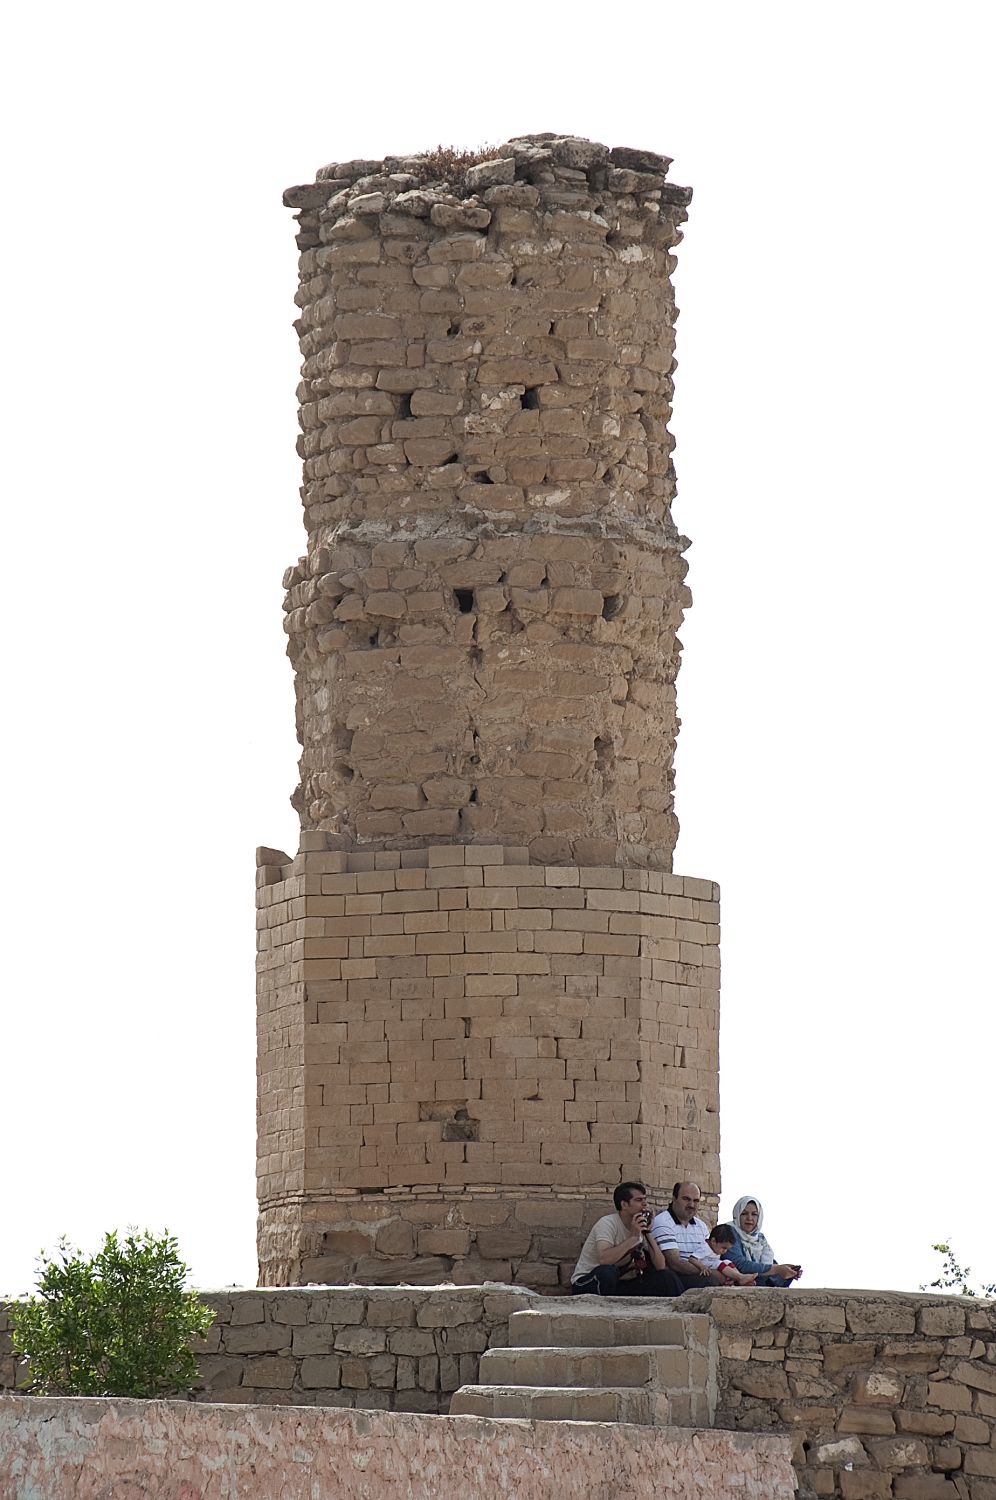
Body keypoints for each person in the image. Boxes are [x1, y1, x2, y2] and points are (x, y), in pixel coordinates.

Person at [571, 1181, 684, 1296]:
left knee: (667, 1277)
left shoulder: (640, 1225)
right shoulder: (607, 1223)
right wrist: (633, 1238)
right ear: (624, 1205)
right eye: (639, 1200)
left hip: (620, 1283)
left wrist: (647, 1232)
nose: (645, 1204)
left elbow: (660, 1266)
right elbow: (605, 1260)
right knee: (607, 1273)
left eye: (645, 1199)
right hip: (589, 1282)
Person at [650, 1182, 726, 1291]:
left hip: (700, 1272)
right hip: (676, 1277)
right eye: (686, 1199)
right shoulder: (663, 1222)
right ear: (674, 1198)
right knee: (709, 1282)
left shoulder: (701, 1226)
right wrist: (712, 1273)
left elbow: (711, 1254)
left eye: (696, 1201)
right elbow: (675, 1263)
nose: (691, 1205)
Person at [727, 1195, 802, 1286]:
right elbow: (741, 1265)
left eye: (754, 1214)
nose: (749, 1218)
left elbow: (768, 1265)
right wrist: (777, 1269)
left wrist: (788, 1273)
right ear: (737, 1214)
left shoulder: (760, 1239)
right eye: (744, 1213)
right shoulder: (729, 1232)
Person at [689, 1224, 758, 1285]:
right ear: (713, 1241)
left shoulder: (716, 1248)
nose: (725, 1251)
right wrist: (701, 1266)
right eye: (724, 1248)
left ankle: (738, 1277)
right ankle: (740, 1278)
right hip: (706, 1265)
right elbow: (691, 1259)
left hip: (712, 1264)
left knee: (727, 1262)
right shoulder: (704, 1248)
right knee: (719, 1263)